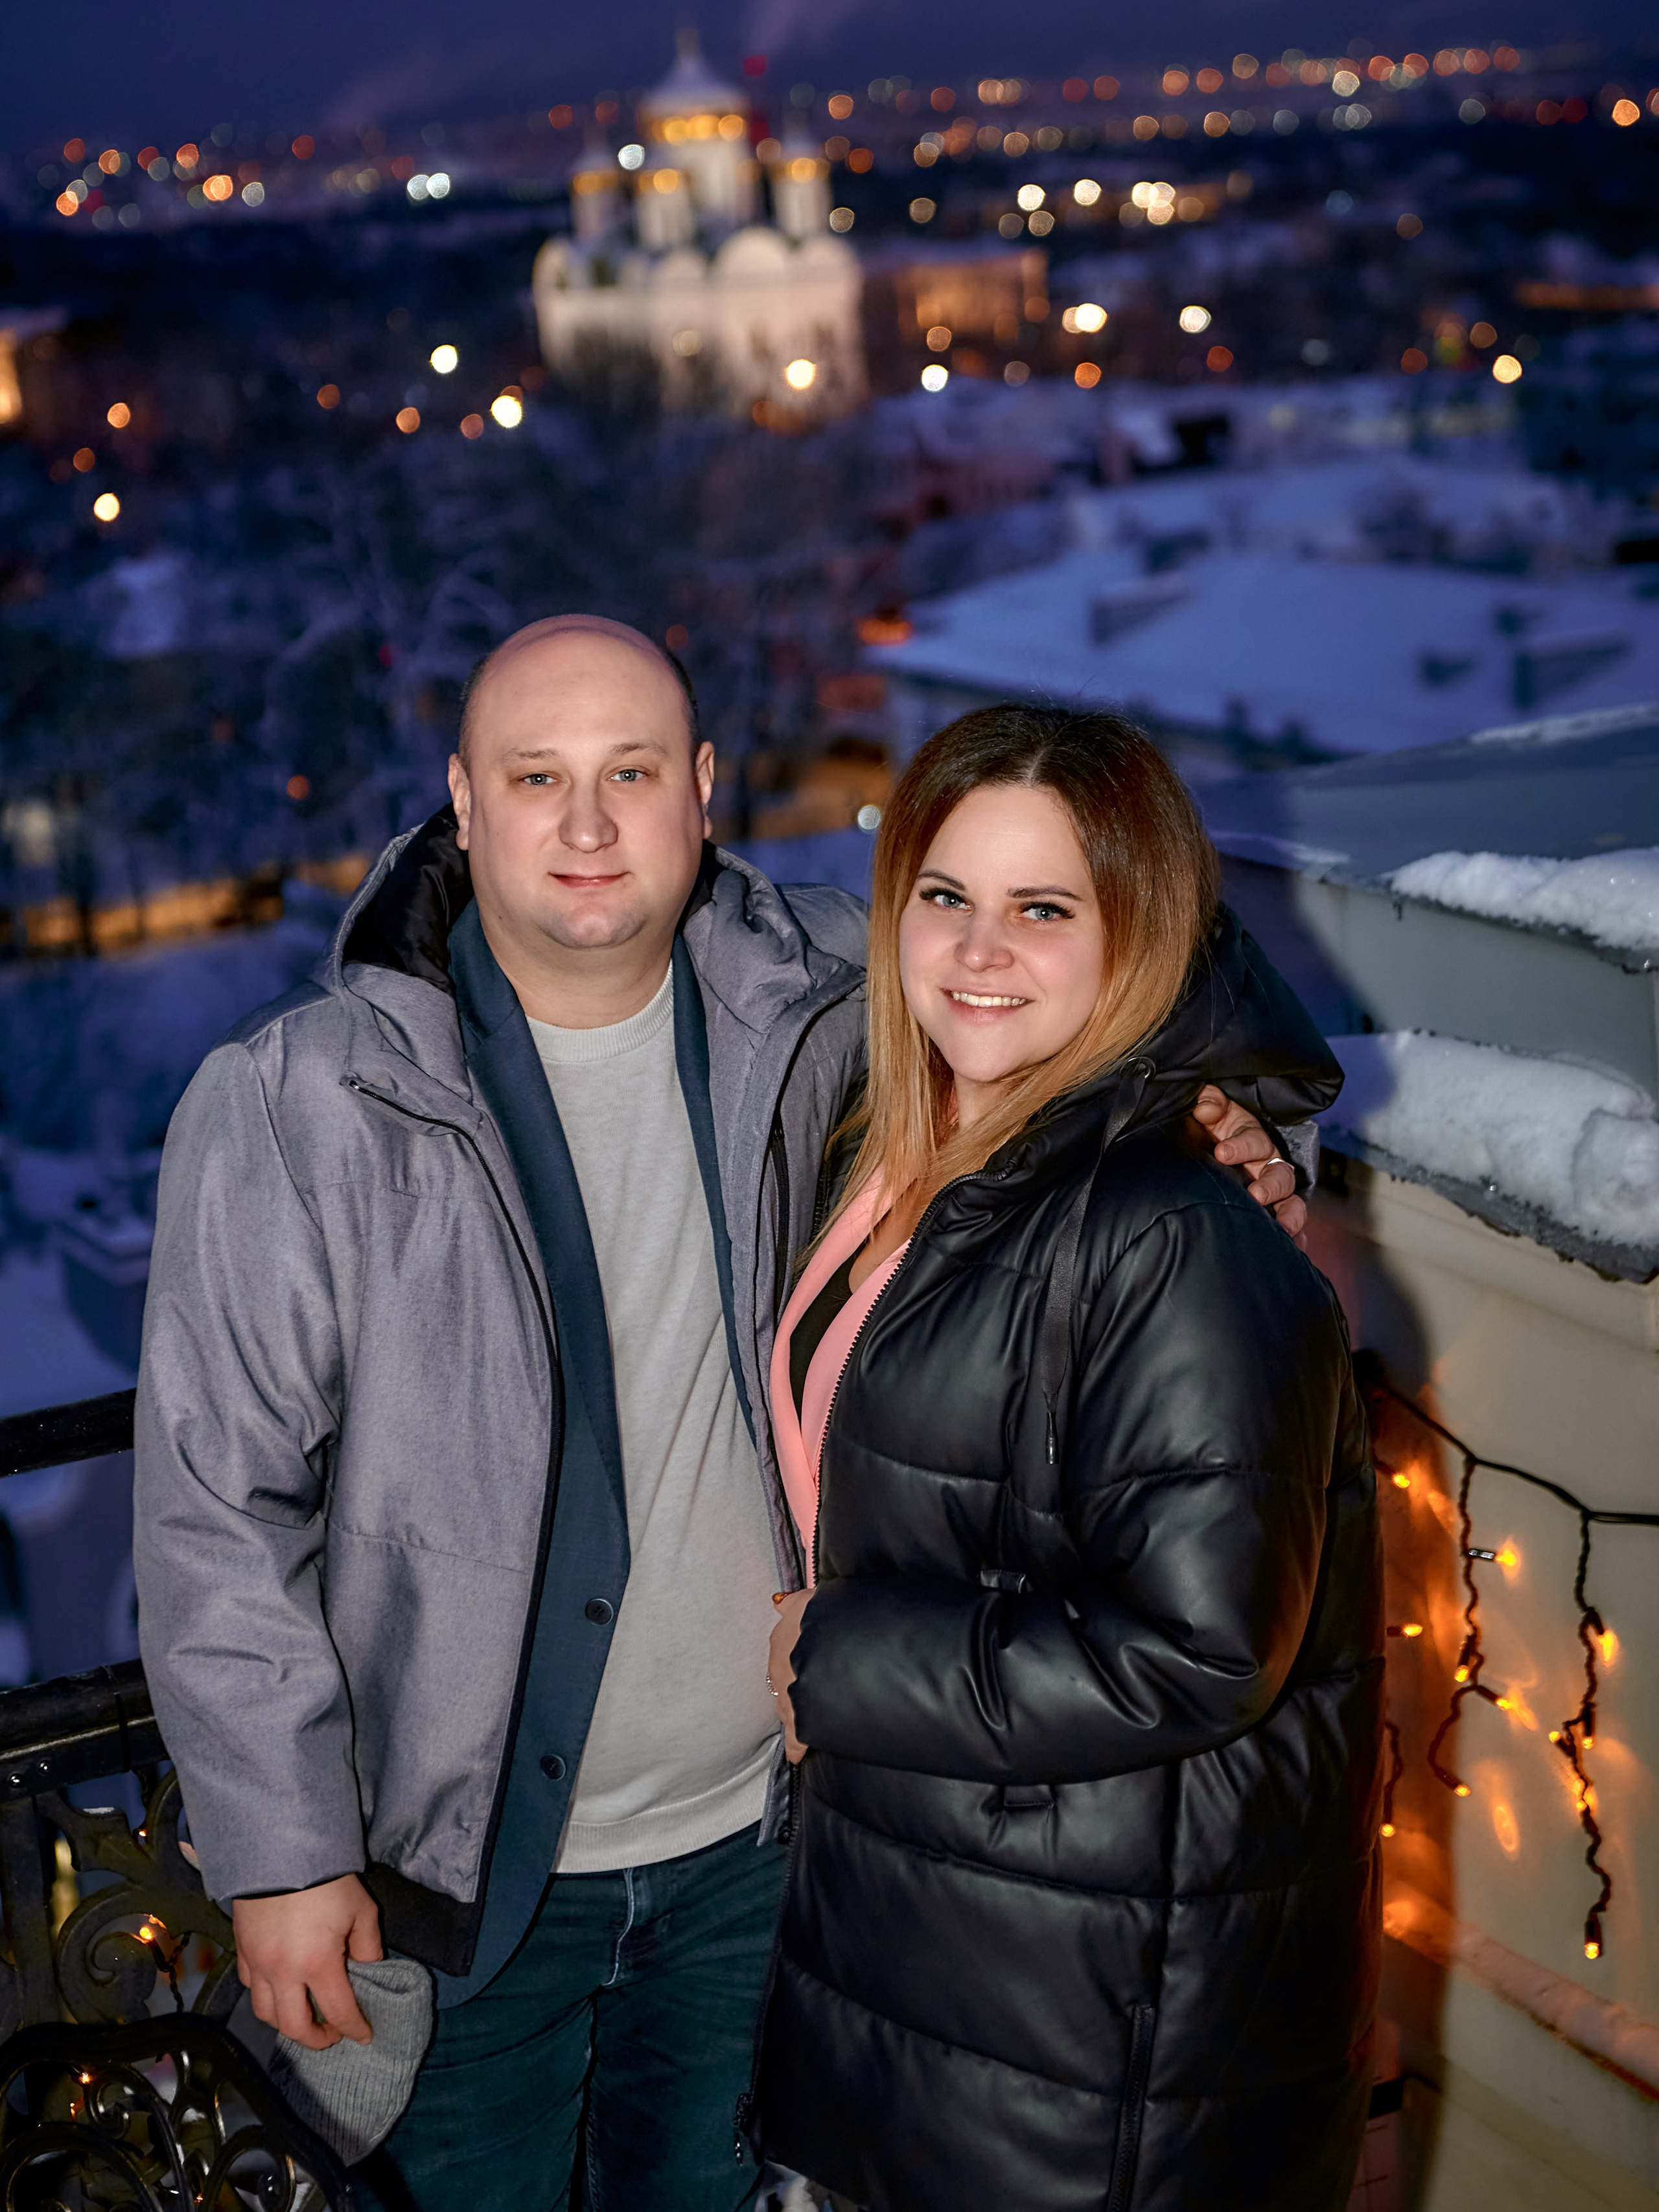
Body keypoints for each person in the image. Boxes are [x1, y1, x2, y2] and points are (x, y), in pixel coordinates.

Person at [134, 620, 1319, 2210]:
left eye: (630, 773)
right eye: (533, 778)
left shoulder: (830, 995)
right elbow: (216, 1501)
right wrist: (282, 1852)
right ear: (457, 805)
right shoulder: (303, 1102)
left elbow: (1110, 958)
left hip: (762, 1855)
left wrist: (1233, 1121)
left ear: (701, 789)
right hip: (459, 1893)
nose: (586, 824)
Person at [756, 705, 1382, 2212]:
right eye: (945, 897)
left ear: (1139, 932)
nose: (979, 950)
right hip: (944, 1938)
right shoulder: (907, 1144)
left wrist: (832, 1661)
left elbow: (1197, 1646)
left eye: (1044, 909)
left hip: (1083, 2020)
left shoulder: (1171, 1226)